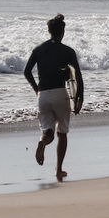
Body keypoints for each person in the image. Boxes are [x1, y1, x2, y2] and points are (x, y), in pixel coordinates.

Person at [24, 14, 83, 182]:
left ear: (49, 31)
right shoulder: (68, 51)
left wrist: (36, 89)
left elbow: (27, 72)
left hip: (43, 95)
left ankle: (42, 142)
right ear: (63, 32)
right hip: (60, 93)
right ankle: (59, 169)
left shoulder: (39, 50)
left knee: (48, 131)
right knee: (62, 133)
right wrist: (79, 98)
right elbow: (77, 76)